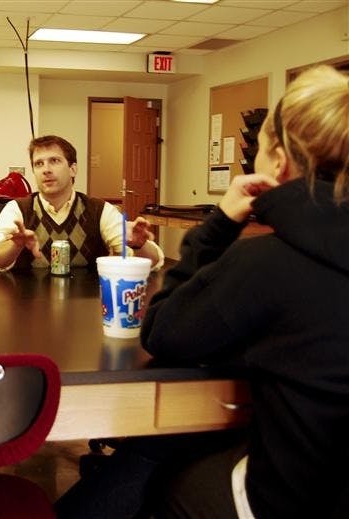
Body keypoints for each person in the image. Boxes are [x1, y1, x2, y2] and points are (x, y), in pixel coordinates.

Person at [58, 65, 349, 519]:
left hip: (288, 501)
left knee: (164, 462)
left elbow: (163, 330)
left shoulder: (264, 262)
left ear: (278, 160)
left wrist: (220, 223)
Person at [0, 135, 163, 272]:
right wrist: (15, 245)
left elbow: (153, 263)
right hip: (28, 303)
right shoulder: (17, 209)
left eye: (54, 161)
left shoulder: (99, 210)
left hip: (86, 304)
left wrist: (138, 244)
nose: (46, 170)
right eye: (39, 164)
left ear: (73, 169)